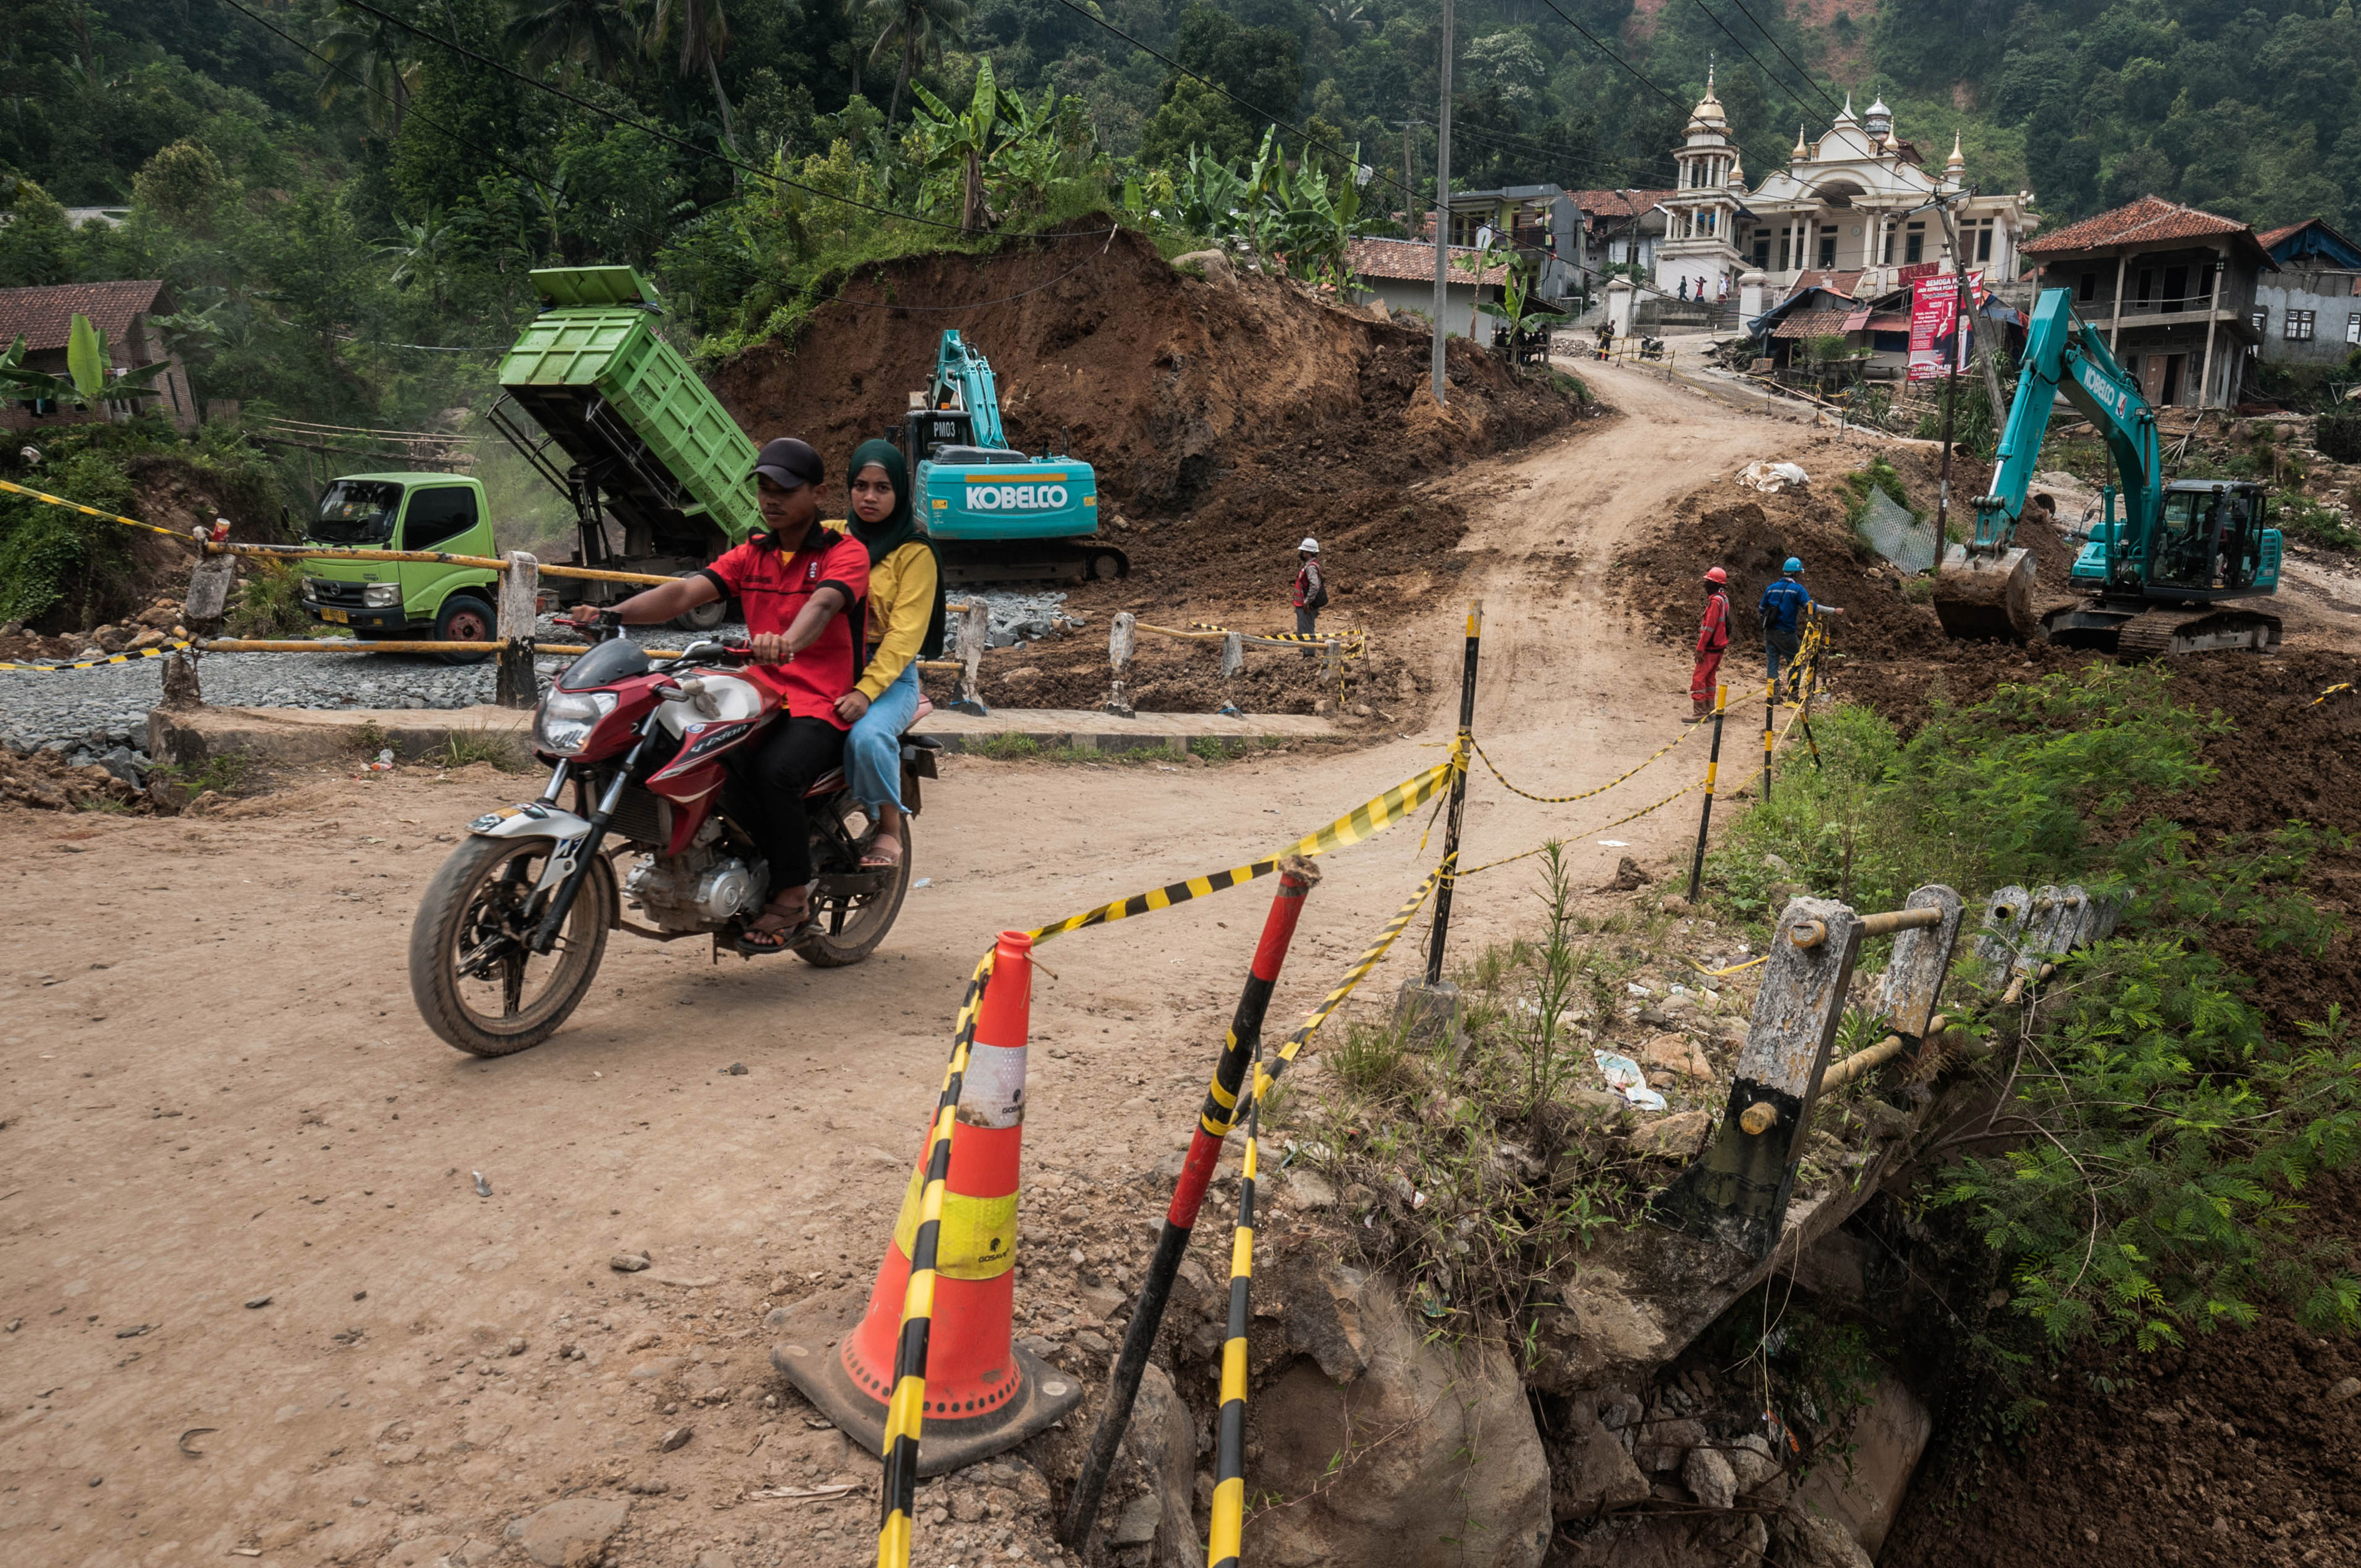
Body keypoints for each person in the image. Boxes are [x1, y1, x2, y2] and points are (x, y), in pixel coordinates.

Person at [563, 436, 871, 954]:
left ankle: (792, 895)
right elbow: (685, 592)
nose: (771, 499)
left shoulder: (845, 553)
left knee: (776, 773)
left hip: (822, 699)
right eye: (765, 488)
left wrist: (788, 642)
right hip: (757, 691)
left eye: (784, 490)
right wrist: (614, 614)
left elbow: (822, 606)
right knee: (687, 746)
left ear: (818, 493)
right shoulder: (753, 554)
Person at [828, 438, 945, 870]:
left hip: (891, 677)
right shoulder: (832, 537)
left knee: (868, 736)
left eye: (883, 488)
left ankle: (889, 828)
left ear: (901, 491)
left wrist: (865, 691)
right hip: (832, 665)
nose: (870, 497)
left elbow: (904, 637)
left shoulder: (914, 552)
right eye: (861, 486)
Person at [1758, 557, 1841, 696]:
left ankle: (1773, 696)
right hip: (1787, 632)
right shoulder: (1797, 590)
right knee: (1796, 661)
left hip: (1770, 631)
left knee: (1772, 662)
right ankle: (1793, 694)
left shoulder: (1771, 589)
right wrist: (1833, 611)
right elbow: (1812, 607)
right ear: (1796, 574)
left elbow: (1761, 609)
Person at [1689, 566, 1731, 722]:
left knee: (1699, 678)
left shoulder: (1715, 602)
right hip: (1720, 646)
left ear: (1715, 584)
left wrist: (1700, 648)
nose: (1705, 585)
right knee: (1710, 678)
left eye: (1708, 582)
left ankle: (1699, 712)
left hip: (1711, 647)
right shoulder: (1724, 599)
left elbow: (1709, 628)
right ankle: (1710, 710)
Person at [1291, 538, 1326, 654]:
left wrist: (1307, 602)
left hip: (1306, 604)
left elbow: (1315, 586)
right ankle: (1306, 650)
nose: (1302, 554)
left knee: (1308, 631)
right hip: (1301, 603)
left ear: (1308, 553)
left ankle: (1310, 655)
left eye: (1304, 552)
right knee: (1303, 630)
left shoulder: (1311, 567)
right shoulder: (1308, 565)